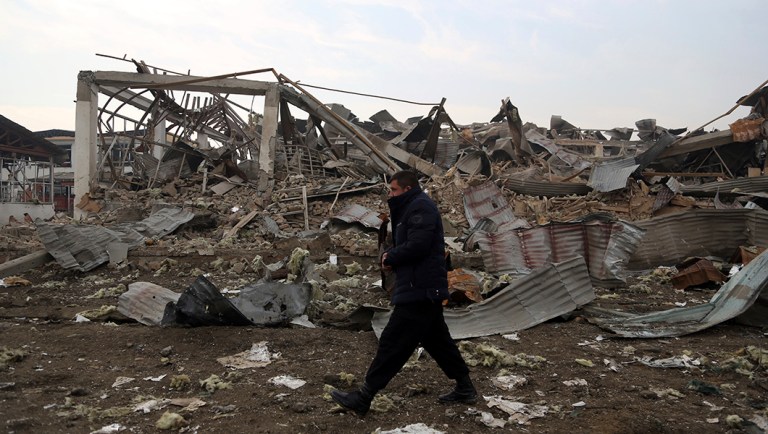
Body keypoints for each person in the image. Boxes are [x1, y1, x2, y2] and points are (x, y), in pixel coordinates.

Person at [331, 170, 477, 417]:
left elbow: (418, 245)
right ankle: (465, 387)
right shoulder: (411, 207)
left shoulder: (420, 207)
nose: (390, 194)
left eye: (394, 190)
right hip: (422, 287)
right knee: (437, 340)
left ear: (407, 189)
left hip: (420, 288)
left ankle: (364, 397)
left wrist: (391, 257)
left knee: (393, 341)